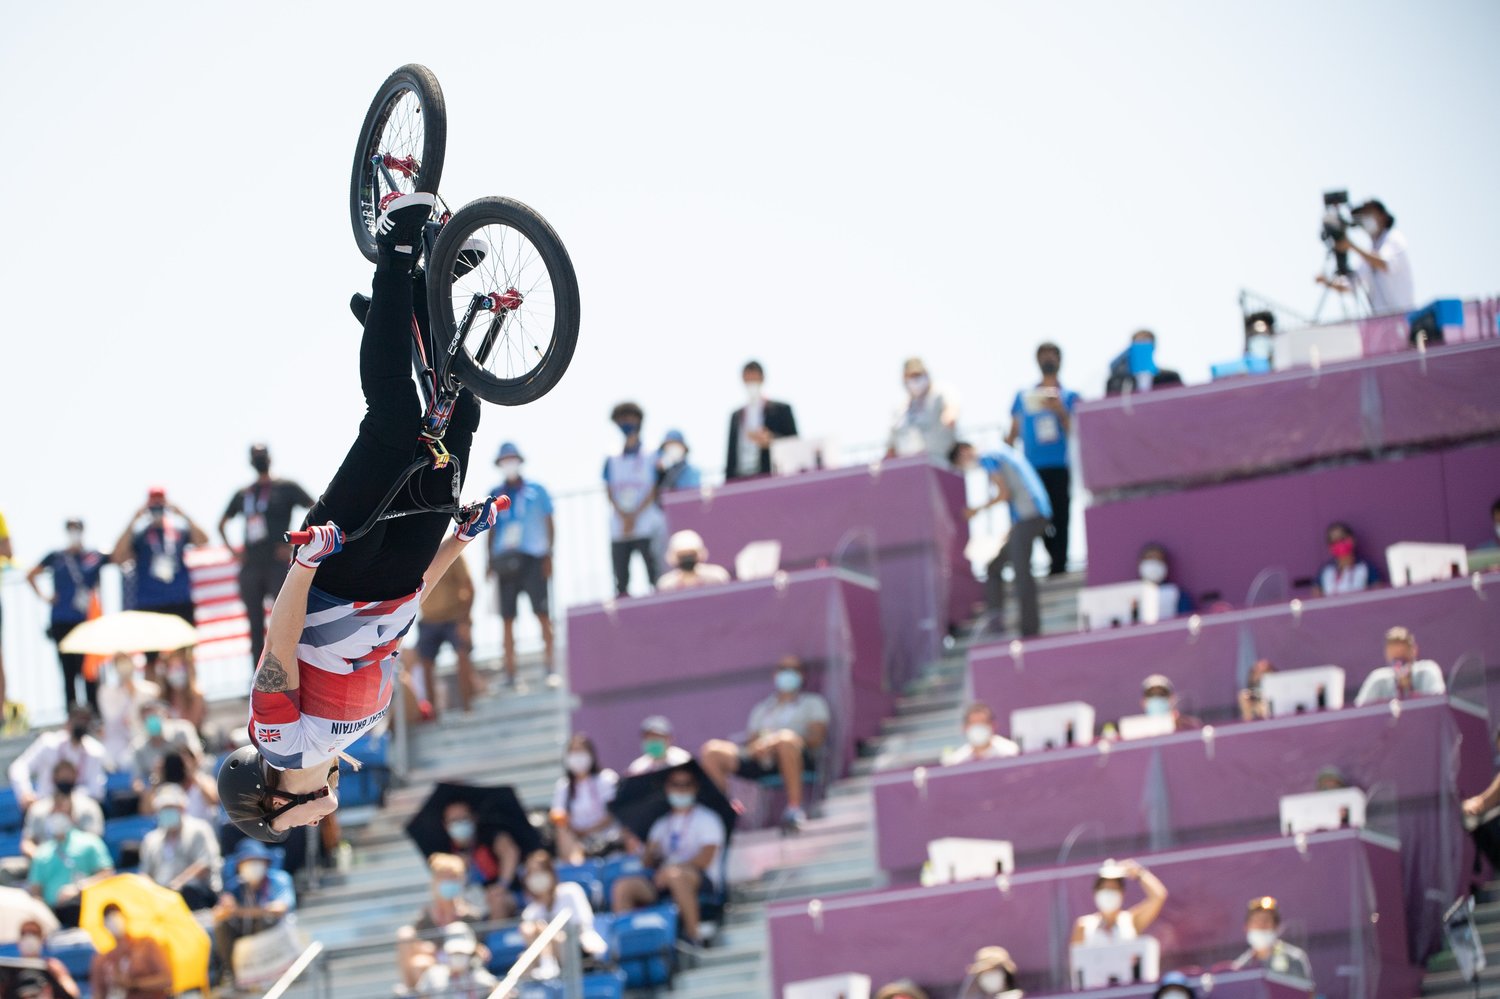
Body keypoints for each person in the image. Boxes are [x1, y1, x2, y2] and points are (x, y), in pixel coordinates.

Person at [214, 192, 505, 843]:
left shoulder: (280, 741)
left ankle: (396, 245)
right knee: (459, 417)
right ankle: (428, 298)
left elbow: (279, 646)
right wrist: (459, 542)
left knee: (394, 423)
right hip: (397, 578)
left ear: (269, 805)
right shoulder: (351, 739)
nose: (310, 825)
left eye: (286, 828)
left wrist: (305, 563)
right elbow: (389, 629)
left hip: (336, 572)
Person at [700, 655, 829, 830]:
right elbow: (753, 742)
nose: (788, 674)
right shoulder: (762, 709)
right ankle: (725, 812)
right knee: (712, 752)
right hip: (762, 760)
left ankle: (794, 809)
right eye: (783, 669)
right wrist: (760, 748)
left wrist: (778, 741)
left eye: (793, 670)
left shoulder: (813, 703)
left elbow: (816, 738)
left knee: (786, 741)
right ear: (775, 675)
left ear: (802, 675)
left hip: (799, 757)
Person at [219, 444, 316, 669]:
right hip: (252, 565)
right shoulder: (244, 493)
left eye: (262, 456)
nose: (259, 460)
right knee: (254, 625)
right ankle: (257, 679)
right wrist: (234, 553)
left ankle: (296, 669)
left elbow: (315, 510)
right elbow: (221, 524)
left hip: (277, 563)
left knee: (288, 616)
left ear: (270, 459)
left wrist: (296, 543)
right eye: (256, 457)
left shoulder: (286, 487)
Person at [610, 768, 727, 946]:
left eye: (686, 784)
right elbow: (647, 863)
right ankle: (626, 943)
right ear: (667, 788)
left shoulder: (707, 819)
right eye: (676, 785)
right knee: (623, 887)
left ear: (695, 788)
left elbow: (705, 860)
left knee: (676, 876)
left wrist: (670, 870)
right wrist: (646, 850)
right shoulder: (661, 824)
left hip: (699, 880)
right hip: (662, 880)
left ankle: (693, 936)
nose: (681, 789)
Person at [950, 441, 1051, 638]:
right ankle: (996, 626)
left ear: (963, 452)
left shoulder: (988, 456)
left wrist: (975, 510)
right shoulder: (999, 452)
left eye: (961, 465)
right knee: (994, 567)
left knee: (1022, 574)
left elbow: (1004, 493)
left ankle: (1030, 631)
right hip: (1029, 518)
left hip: (1031, 516)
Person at [1007, 342, 1080, 576]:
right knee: (1037, 518)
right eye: (1043, 355)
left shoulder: (1070, 396)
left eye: (1052, 355)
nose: (1048, 359)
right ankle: (1050, 557)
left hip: (1060, 465)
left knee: (1061, 515)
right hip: (1031, 468)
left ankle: (1059, 564)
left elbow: (1076, 432)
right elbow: (1013, 432)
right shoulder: (1023, 396)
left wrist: (1059, 410)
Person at [488, 441, 556, 688]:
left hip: (533, 559)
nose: (509, 464)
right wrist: (489, 562)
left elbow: (549, 522)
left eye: (512, 459)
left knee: (542, 614)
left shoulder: (537, 490)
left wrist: (549, 555)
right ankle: (510, 673)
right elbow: (490, 530)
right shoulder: (494, 493)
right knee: (507, 619)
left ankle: (551, 666)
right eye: (504, 460)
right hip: (505, 563)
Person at [27, 520, 110, 713]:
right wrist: (45, 597)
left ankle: (94, 712)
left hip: (86, 622)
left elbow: (117, 556)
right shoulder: (56, 557)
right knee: (68, 671)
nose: (74, 533)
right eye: (71, 529)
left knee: (89, 670)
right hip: (62, 620)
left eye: (77, 528)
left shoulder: (93, 556)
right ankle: (72, 715)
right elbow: (30, 574)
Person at [111, 487, 209, 623]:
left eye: (160, 506)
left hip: (179, 600)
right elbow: (118, 556)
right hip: (149, 602)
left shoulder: (179, 531)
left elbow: (203, 540)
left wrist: (183, 514)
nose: (157, 510)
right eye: (153, 507)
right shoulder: (140, 535)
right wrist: (133, 520)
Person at [396, 852, 488, 991]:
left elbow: (479, 949)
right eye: (443, 877)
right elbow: (420, 945)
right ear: (434, 881)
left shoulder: (470, 916)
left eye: (453, 877)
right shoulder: (425, 916)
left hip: (460, 964)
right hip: (435, 965)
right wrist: (427, 949)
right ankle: (409, 992)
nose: (448, 882)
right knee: (409, 944)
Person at [213, 840, 296, 986]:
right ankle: (235, 977)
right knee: (222, 926)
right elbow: (218, 914)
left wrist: (242, 911)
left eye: (256, 861)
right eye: (248, 862)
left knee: (266, 919)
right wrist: (227, 909)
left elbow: (280, 908)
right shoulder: (235, 886)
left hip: (277, 935)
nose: (252, 866)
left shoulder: (278, 879)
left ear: (265, 863)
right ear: (239, 866)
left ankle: (275, 973)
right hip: (247, 934)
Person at [605, 401, 664, 596]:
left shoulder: (652, 453)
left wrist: (634, 516)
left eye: (628, 418)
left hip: (647, 524)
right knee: (621, 583)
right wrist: (625, 516)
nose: (625, 423)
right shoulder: (611, 456)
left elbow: (654, 487)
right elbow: (609, 490)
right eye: (621, 420)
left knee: (655, 577)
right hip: (620, 528)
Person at [1315, 198, 1414, 314]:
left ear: (1383, 216)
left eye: (1369, 213)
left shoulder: (1394, 238)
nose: (1365, 218)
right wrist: (1326, 281)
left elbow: (1384, 263)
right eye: (1363, 215)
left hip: (1403, 319)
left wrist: (1351, 246)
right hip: (1382, 322)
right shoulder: (1371, 251)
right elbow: (1351, 284)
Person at [519, 850, 608, 976]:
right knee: (526, 938)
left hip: (579, 948)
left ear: (550, 873)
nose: (536, 877)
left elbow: (582, 925)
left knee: (542, 929)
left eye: (540, 872)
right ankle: (545, 970)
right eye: (531, 874)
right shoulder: (531, 911)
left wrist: (547, 931)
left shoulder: (570, 891)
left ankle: (549, 965)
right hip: (548, 957)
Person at [138, 783, 221, 910]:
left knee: (188, 891)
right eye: (163, 808)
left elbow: (205, 865)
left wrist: (177, 884)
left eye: (171, 807)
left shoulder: (199, 829)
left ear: (182, 808)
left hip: (197, 894)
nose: (167, 811)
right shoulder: (151, 840)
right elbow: (145, 873)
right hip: (163, 897)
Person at [412, 555, 478, 717]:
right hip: (428, 619)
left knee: (462, 657)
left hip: (454, 616)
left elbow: (469, 586)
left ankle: (468, 708)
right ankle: (432, 713)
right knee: (425, 664)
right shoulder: (415, 555)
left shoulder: (452, 553)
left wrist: (465, 620)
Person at [27, 810, 114, 927]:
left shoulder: (90, 842)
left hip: (90, 910)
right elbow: (36, 892)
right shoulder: (41, 853)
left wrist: (79, 888)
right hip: (55, 917)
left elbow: (107, 874)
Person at [9, 707, 109, 807]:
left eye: (84, 720)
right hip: (46, 809)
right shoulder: (48, 744)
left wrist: (68, 800)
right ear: (68, 721)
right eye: (77, 719)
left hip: (79, 811)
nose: (80, 724)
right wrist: (25, 793)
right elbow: (19, 767)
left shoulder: (95, 751)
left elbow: (96, 791)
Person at [438, 798, 521, 919]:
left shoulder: (491, 836)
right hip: (470, 899)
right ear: (445, 825)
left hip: (503, 895)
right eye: (454, 820)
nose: (459, 824)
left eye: (463, 818)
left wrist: (502, 885)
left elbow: (510, 853)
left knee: (497, 900)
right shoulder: (445, 850)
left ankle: (493, 937)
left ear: (473, 818)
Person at [549, 733, 622, 864]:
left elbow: (613, 813)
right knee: (561, 831)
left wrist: (588, 831)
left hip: (607, 837)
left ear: (591, 754)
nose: (577, 757)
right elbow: (558, 814)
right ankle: (576, 868)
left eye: (581, 751)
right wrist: (570, 827)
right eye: (573, 752)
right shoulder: (564, 786)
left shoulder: (605, 779)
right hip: (577, 841)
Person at [726, 361, 799, 480]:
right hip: (740, 477)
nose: (751, 384)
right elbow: (731, 455)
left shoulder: (781, 410)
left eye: (754, 379)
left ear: (762, 379)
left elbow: (795, 444)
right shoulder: (736, 416)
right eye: (747, 380)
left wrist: (771, 441)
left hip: (770, 475)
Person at [1070, 858, 1168, 945]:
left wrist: (1139, 873)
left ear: (1122, 894)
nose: (1109, 894)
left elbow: (1158, 896)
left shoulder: (1131, 921)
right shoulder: (1084, 926)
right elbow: (1076, 963)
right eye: (1105, 889)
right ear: (1096, 893)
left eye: (1114, 889)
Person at [21, 760, 104, 858]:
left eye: (68, 775)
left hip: (81, 861)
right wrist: (42, 858)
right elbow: (27, 842)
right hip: (45, 863)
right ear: (53, 778)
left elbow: (94, 839)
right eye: (61, 775)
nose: (64, 779)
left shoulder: (89, 806)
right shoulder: (38, 809)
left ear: (76, 776)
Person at [89, 903, 172, 999]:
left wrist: (134, 984)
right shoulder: (101, 959)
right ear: (104, 925)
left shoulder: (147, 945)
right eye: (108, 918)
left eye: (115, 916)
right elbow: (98, 993)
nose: (113, 921)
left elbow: (167, 979)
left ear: (125, 917)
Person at [1352, 626, 1447, 706]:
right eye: (1395, 660)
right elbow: (1359, 713)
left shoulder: (1428, 671)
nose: (1400, 665)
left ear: (1414, 651)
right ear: (1387, 655)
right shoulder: (1377, 679)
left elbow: (1438, 706)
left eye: (1404, 659)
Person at [888, 357, 958, 462]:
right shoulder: (899, 410)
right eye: (911, 376)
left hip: (939, 463)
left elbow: (951, 412)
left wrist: (949, 416)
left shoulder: (940, 394)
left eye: (918, 375)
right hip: (909, 468)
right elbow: (891, 447)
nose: (915, 380)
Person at [1230, 896, 1314, 980]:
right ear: (1246, 928)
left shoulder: (1294, 960)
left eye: (1266, 921)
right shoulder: (1239, 967)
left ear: (1277, 927)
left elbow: (1305, 991)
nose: (1261, 926)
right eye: (1256, 921)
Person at [131, 699, 202, 784]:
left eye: (153, 716)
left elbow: (199, 757)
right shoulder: (138, 747)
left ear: (164, 714)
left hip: (191, 783)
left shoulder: (182, 731)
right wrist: (156, 777)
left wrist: (184, 762)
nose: (150, 721)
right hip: (161, 790)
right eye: (146, 718)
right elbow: (137, 781)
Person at [16, 917, 83, 999]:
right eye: (24, 933)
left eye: (34, 933)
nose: (29, 937)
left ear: (42, 939)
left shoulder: (52, 965)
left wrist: (59, 976)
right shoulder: (11, 968)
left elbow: (74, 994)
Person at [1105, 329, 1183, 396]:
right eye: (1138, 342)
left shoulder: (1171, 377)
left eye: (1145, 342)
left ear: (1153, 347)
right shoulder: (1117, 381)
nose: (1141, 345)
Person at [942, 703, 1020, 766]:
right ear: (965, 728)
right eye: (974, 724)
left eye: (983, 723)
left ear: (993, 726)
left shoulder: (1010, 752)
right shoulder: (957, 761)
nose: (978, 728)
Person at [1316, 521, 1381, 596]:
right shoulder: (1326, 571)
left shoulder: (1366, 568)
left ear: (1352, 539)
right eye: (1334, 541)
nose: (1339, 543)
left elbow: (1378, 594)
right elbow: (1316, 598)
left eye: (1342, 539)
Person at [655, 529, 732, 592]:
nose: (687, 558)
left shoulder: (717, 576)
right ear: (673, 557)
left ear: (700, 553)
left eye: (691, 553)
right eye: (682, 555)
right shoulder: (666, 584)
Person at [155, 647, 207, 731]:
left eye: (179, 668)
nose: (176, 672)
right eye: (172, 668)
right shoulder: (161, 698)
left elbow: (192, 725)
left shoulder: (196, 696)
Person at [1136, 542, 1193, 615]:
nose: (1153, 564)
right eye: (1149, 558)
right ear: (1140, 564)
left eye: (1158, 559)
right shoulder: (1131, 597)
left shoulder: (1179, 595)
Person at [626, 715, 693, 775]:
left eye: (657, 737)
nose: (653, 741)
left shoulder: (684, 760)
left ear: (669, 739)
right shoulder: (637, 768)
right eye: (649, 738)